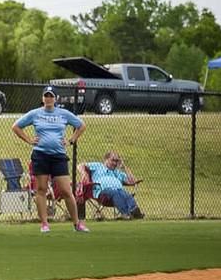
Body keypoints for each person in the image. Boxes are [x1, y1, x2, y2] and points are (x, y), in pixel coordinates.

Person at [11, 85, 90, 233]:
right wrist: (29, 140)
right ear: (42, 98)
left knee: (66, 190)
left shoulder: (63, 114)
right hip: (40, 156)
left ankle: (77, 224)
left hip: (58, 156)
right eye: (46, 96)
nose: (48, 98)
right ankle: (45, 224)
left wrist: (71, 140)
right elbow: (16, 126)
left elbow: (81, 125)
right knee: (41, 189)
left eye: (51, 96)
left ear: (55, 98)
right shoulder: (35, 114)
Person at [81, 151, 143, 219]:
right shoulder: (98, 166)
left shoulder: (117, 173)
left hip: (119, 192)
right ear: (106, 159)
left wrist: (124, 167)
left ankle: (135, 212)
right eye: (113, 160)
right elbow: (81, 165)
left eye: (117, 161)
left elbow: (133, 181)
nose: (115, 163)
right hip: (102, 193)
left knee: (127, 195)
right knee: (115, 192)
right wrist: (85, 174)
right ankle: (126, 213)